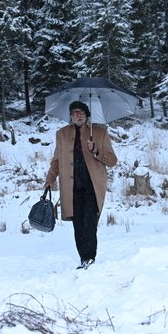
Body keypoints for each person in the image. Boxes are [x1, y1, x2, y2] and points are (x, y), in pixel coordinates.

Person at [44, 101, 117, 269]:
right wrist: (50, 180)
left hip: (93, 187)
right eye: (75, 112)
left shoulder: (99, 133)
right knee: (78, 225)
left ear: (87, 115)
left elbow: (112, 161)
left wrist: (96, 150)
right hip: (71, 188)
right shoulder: (61, 134)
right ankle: (84, 258)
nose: (78, 115)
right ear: (70, 115)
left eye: (82, 112)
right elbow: (56, 160)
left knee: (89, 223)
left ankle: (89, 258)